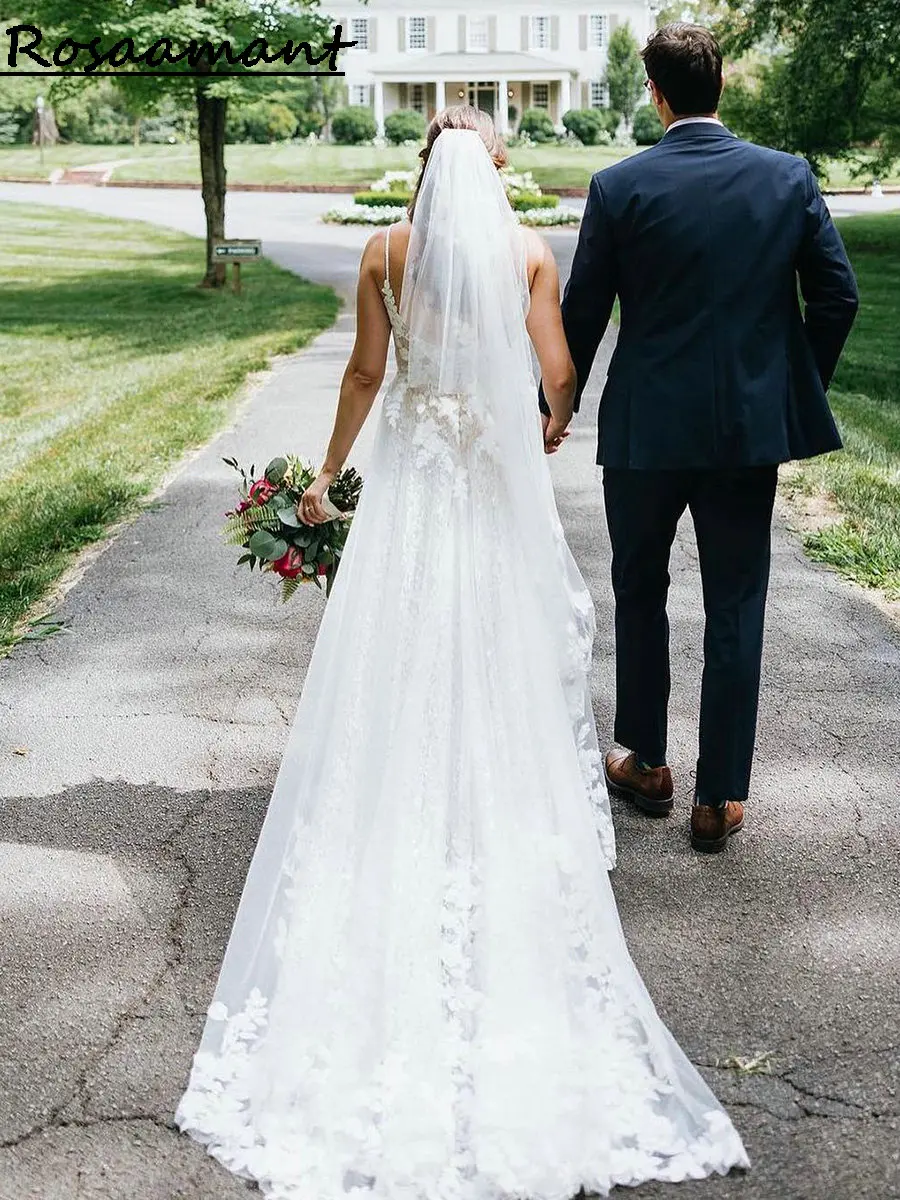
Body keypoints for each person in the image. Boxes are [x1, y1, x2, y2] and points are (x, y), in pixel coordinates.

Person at [176, 106, 748, 1197]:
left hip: (409, 481)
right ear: (490, 171)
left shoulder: (386, 252)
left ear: (424, 171)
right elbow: (559, 368)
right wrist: (545, 424)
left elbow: (361, 374)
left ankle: (393, 799)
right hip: (484, 481)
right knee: (498, 644)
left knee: (396, 643)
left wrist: (328, 474)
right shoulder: (531, 252)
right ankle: (495, 802)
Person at [549, 23, 859, 853]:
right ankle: (719, 797)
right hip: (741, 435)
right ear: (719, 85)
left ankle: (646, 762)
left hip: (645, 430)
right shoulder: (786, 177)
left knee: (639, 590)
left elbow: (582, 312)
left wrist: (558, 404)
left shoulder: (619, 186)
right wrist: (789, 390)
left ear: (655, 94)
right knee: (736, 602)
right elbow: (838, 299)